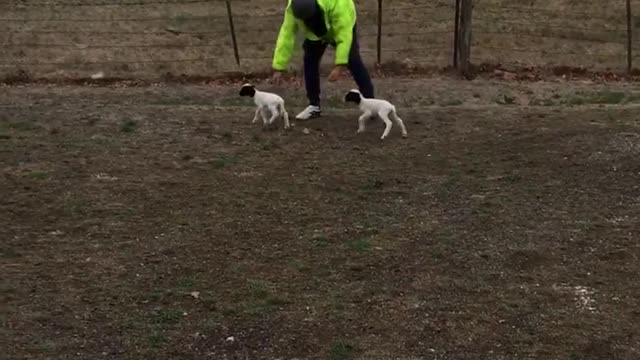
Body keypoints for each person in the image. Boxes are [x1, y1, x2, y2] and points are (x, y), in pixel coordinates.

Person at [271, 0, 375, 120]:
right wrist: (279, 67)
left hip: (343, 23)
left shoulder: (339, 5)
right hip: (315, 33)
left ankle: (371, 105)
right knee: (310, 60)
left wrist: (340, 64)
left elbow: (344, 35)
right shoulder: (293, 8)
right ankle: (314, 106)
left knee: (354, 61)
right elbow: (286, 34)